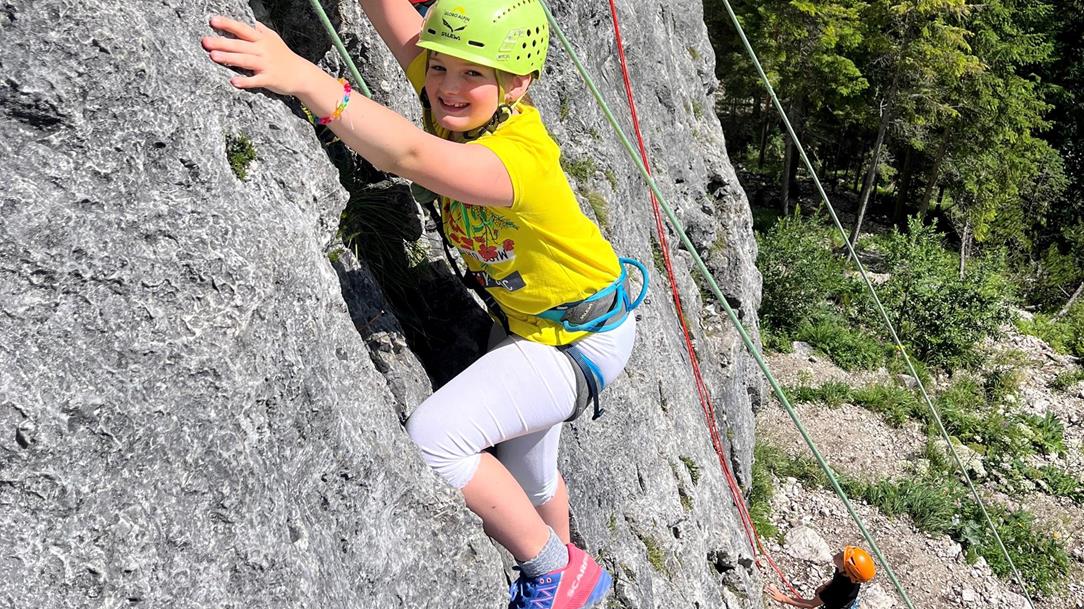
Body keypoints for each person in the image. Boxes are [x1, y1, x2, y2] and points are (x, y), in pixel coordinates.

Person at [201, 1, 646, 608]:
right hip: (537, 325)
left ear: (517, 84)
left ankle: (552, 568)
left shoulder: (517, 160)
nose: (447, 86)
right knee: (530, 475)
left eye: (471, 75)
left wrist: (301, 75)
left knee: (436, 440)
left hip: (576, 341)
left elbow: (407, 155)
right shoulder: (463, 102)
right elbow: (391, 16)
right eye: (439, 68)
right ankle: (565, 577)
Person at [766, 546, 876, 609]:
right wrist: (825, 585)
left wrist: (783, 598)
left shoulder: (839, 589)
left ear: (847, 572)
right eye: (842, 552)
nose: (838, 554)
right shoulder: (846, 573)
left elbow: (810, 604)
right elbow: (837, 578)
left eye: (842, 557)